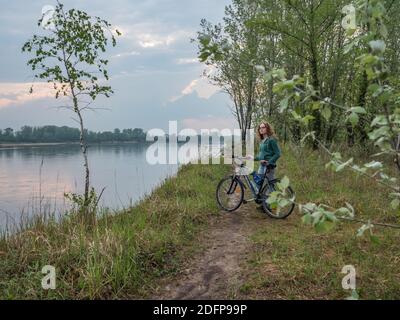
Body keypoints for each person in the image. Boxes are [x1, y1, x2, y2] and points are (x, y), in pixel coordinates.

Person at [247, 121, 281, 189]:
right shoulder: (262, 141)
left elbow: (278, 153)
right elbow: (261, 156)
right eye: (260, 128)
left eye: (263, 127)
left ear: (267, 128)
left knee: (269, 186)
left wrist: (269, 162)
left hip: (269, 167)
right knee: (258, 184)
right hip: (261, 166)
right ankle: (261, 199)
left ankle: (272, 199)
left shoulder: (271, 140)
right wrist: (252, 158)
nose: (261, 129)